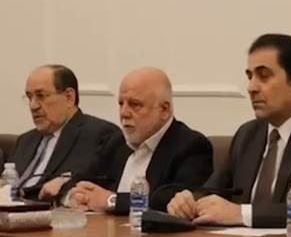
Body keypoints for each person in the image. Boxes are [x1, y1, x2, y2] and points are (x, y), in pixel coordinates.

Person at [166, 34, 291, 227]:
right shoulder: (247, 134)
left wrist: (242, 213)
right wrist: (190, 201)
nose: (251, 87)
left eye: (264, 76)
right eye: (250, 76)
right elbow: (214, 191)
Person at [66, 67, 213, 214]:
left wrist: (112, 201)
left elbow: (172, 201)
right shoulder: (116, 142)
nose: (124, 113)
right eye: (121, 103)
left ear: (164, 109)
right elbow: (83, 179)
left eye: (135, 104)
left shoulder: (192, 146)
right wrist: (75, 195)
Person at [11, 65, 118, 199]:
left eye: (41, 96)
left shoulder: (101, 136)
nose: (33, 106)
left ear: (69, 97)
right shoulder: (25, 141)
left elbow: (99, 187)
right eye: (29, 97)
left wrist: (64, 187)